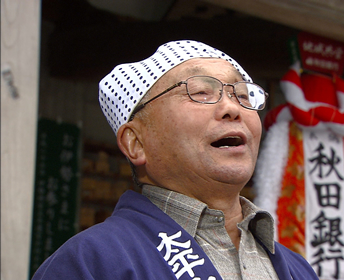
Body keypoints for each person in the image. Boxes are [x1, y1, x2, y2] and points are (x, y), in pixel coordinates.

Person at [32, 40, 318, 280]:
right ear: (136, 142)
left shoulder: (297, 270)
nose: (232, 108)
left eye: (242, 95)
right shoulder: (92, 262)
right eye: (201, 92)